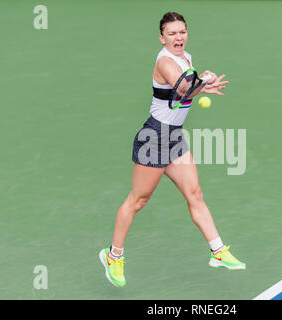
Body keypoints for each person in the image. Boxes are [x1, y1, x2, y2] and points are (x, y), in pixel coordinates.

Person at [99, 12, 246, 287]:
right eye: (172, 34)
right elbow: (182, 89)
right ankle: (113, 256)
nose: (178, 38)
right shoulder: (166, 61)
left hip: (174, 137)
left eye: (182, 32)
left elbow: (186, 90)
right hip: (154, 137)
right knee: (138, 201)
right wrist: (203, 82)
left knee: (195, 193)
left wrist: (203, 86)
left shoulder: (186, 57)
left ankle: (218, 251)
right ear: (161, 38)